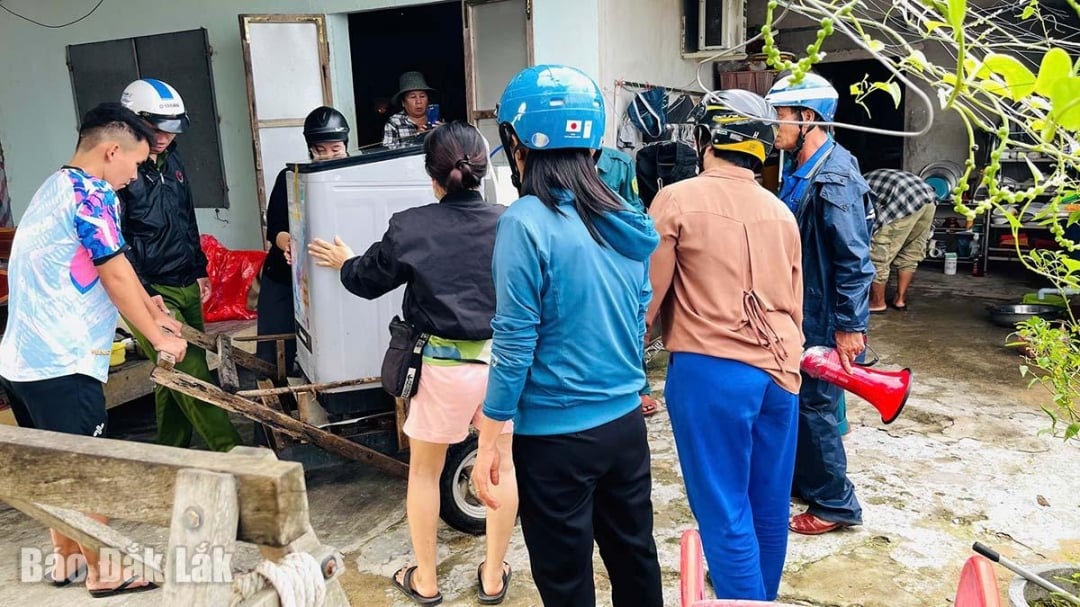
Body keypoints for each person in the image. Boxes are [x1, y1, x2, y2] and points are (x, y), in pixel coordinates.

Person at [472, 65, 663, 607]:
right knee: (635, 559)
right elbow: (637, 312)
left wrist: (491, 435)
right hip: (624, 427)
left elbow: (514, 340)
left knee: (565, 579)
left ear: (515, 141)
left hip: (555, 442)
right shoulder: (624, 215)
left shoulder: (525, 221)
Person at [307, 121, 515, 606]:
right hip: (500, 368)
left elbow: (366, 280)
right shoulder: (510, 221)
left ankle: (425, 581)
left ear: (431, 174)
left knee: (423, 472)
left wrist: (344, 260)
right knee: (500, 467)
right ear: (483, 171)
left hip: (438, 369)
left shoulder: (411, 224)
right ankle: (491, 578)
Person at [0, 102, 186, 597]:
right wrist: (159, 334)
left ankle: (66, 558)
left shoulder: (54, 188)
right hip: (62, 361)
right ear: (111, 151)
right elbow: (112, 270)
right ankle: (106, 570)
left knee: (54, 467)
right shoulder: (93, 191)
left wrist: (150, 306)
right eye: (136, 163)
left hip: (23, 362)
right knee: (88, 469)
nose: (136, 175)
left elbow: (103, 265)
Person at [647, 90, 803, 600]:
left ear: (704, 138)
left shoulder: (676, 198)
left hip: (712, 371)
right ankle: (762, 596)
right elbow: (795, 302)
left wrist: (625, 362)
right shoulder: (781, 212)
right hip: (782, 374)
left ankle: (746, 600)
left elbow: (649, 298)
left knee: (723, 507)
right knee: (768, 503)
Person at [765, 72, 875, 535]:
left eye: (780, 118)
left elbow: (854, 257)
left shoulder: (834, 178)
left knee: (817, 408)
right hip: (803, 309)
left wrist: (850, 326)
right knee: (802, 402)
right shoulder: (803, 168)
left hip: (824, 315)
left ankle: (835, 503)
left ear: (807, 119)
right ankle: (810, 483)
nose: (774, 128)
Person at [119, 78, 241, 452]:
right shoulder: (120, 171)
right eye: (155, 129)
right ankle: (236, 454)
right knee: (191, 371)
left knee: (171, 373)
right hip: (149, 288)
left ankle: (170, 449)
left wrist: (199, 266)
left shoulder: (173, 159)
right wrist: (145, 294)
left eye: (170, 131)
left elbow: (186, 215)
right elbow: (116, 245)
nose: (163, 138)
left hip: (185, 278)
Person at [256, 106, 351, 373]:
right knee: (273, 349)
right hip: (286, 274)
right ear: (310, 148)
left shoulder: (354, 176)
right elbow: (275, 227)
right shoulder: (291, 176)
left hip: (333, 275)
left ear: (346, 144)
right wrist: (290, 245)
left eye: (335, 149)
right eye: (320, 149)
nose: (328, 155)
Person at [596, 146, 660, 417]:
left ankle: (639, 385)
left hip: (616, 250)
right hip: (579, 251)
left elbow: (634, 208)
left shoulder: (618, 163)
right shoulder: (560, 159)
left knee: (633, 319)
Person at [863, 168, 937, 312]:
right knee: (911, 252)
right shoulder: (868, 177)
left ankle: (877, 303)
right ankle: (900, 300)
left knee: (879, 255)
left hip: (905, 200)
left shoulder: (854, 186)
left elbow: (864, 216)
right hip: (929, 198)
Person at [383, 71, 440, 147]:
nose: (418, 101)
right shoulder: (394, 123)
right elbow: (388, 152)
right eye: (412, 97)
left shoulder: (435, 117)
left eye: (422, 96)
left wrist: (445, 133)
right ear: (403, 102)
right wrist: (417, 139)